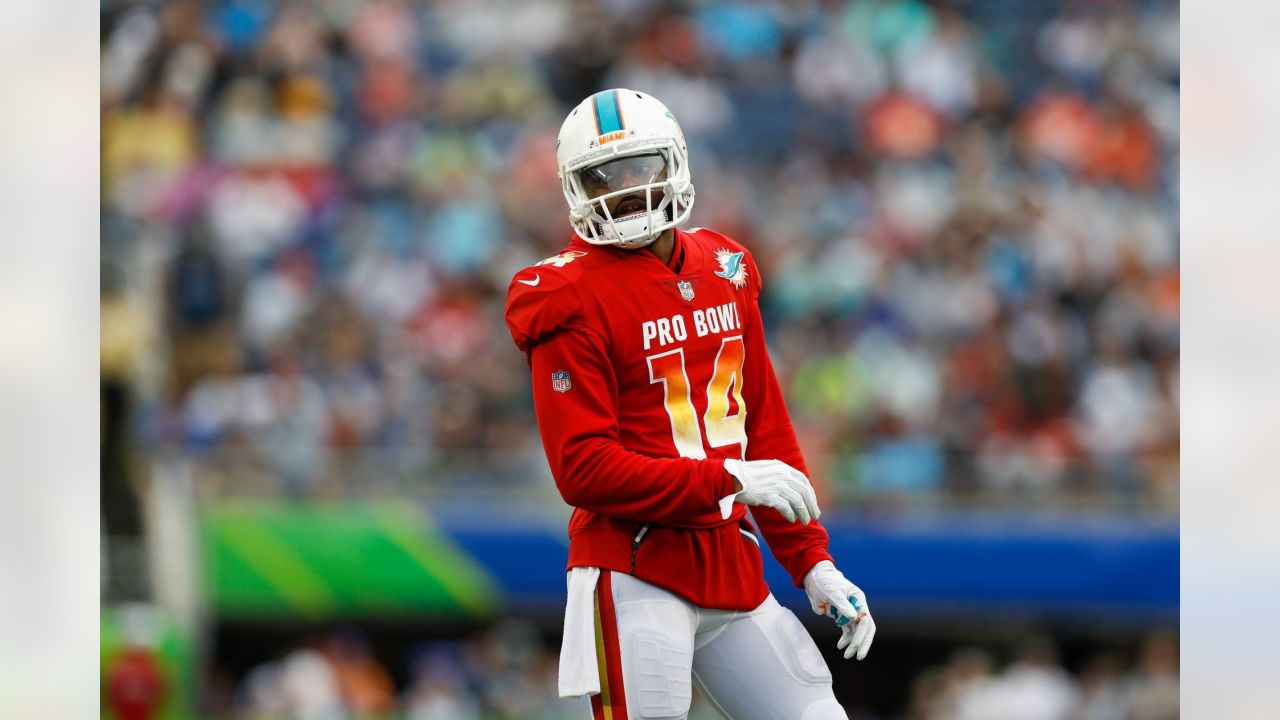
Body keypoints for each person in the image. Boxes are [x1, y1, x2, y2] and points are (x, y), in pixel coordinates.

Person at [504, 88, 876, 720]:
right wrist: (727, 478)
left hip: (729, 560)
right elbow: (583, 470)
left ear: (674, 162)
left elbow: (766, 432)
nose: (625, 189)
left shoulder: (725, 265)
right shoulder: (565, 291)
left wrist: (812, 560)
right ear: (573, 188)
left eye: (639, 167)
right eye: (603, 176)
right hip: (634, 566)